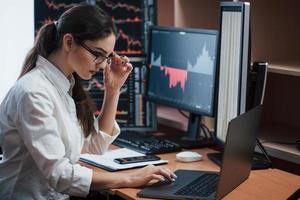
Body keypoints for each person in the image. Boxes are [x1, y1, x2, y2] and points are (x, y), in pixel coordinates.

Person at [0, 4, 176, 200]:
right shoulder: (33, 93)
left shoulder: (64, 85)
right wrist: (129, 178)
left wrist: (113, 90)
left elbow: (94, 146)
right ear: (69, 42)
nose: (102, 65)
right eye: (97, 54)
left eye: (106, 57)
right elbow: (59, 174)